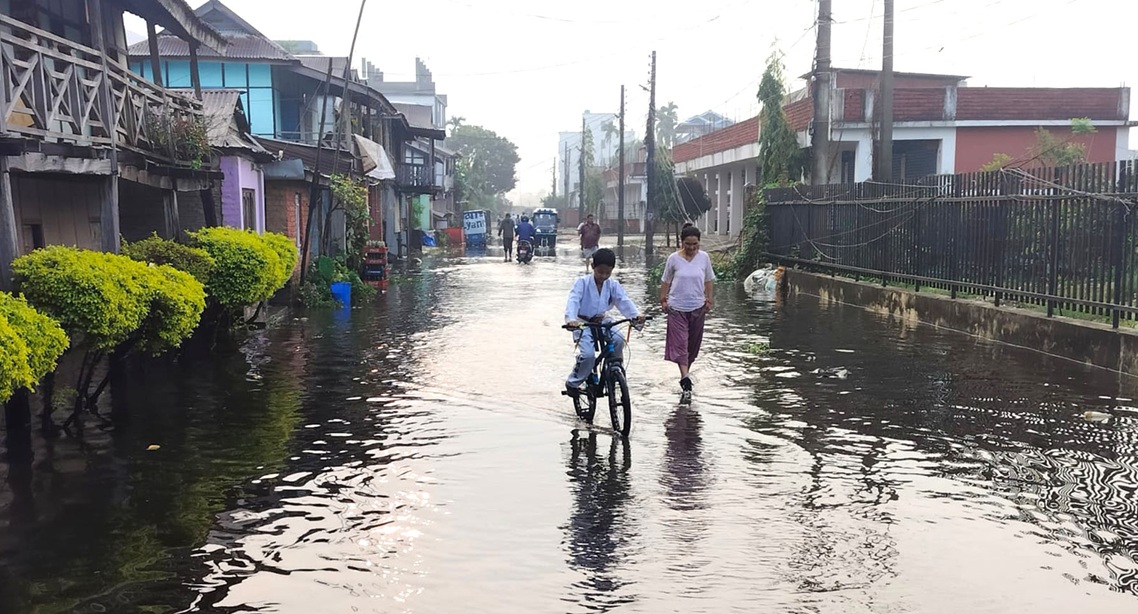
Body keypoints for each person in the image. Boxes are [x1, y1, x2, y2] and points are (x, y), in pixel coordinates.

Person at [564, 248, 645, 395]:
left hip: (603, 320)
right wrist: (571, 320)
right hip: (583, 323)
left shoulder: (612, 285)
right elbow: (573, 301)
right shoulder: (582, 283)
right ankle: (573, 382)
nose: (603, 276)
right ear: (593, 267)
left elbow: (623, 300)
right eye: (600, 272)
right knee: (588, 355)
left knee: (618, 340)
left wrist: (636, 315)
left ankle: (614, 368)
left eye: (607, 273)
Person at [659, 225, 715, 400]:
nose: (691, 248)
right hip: (676, 308)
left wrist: (709, 299)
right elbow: (666, 281)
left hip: (698, 307)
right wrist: (663, 299)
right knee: (680, 344)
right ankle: (685, 378)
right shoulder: (673, 259)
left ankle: (686, 374)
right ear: (682, 242)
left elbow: (709, 280)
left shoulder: (704, 258)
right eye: (688, 244)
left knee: (692, 346)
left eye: (695, 244)